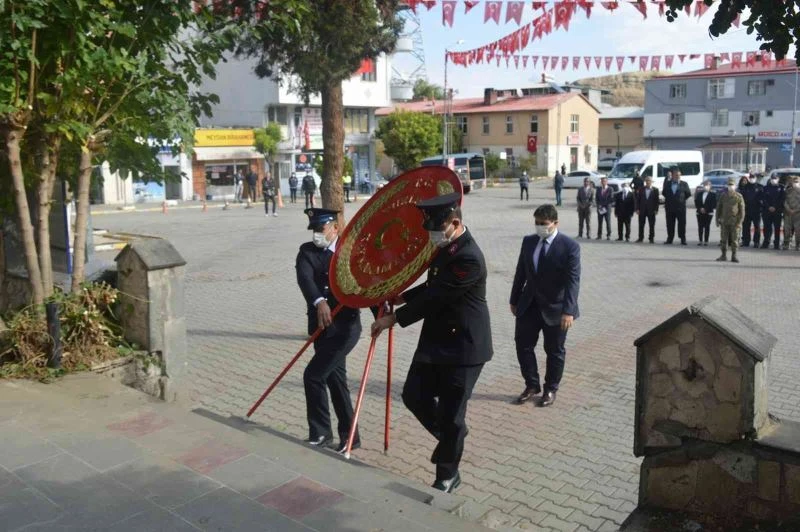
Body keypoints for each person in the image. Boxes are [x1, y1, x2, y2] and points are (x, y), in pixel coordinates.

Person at [370, 193, 492, 494]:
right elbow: (431, 285)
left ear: (455, 223)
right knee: (413, 395)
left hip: (464, 347)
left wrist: (393, 318)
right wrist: (403, 295)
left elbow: (439, 295)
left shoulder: (470, 257)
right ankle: (454, 437)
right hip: (437, 341)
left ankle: (447, 476)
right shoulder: (446, 247)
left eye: (437, 228)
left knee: (451, 415)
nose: (432, 234)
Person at [296, 208, 362, 453]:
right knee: (335, 380)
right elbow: (306, 280)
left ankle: (320, 432)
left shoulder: (348, 253)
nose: (316, 234)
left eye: (320, 229)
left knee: (313, 375)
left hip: (345, 329)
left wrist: (381, 314)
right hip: (320, 328)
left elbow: (364, 283)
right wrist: (318, 301)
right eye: (313, 229)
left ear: (335, 227)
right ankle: (351, 435)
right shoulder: (307, 252)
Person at [509, 204, 580, 408]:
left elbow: (573, 281)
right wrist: (514, 300)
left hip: (556, 309)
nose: (540, 227)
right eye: (537, 223)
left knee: (554, 350)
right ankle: (532, 385)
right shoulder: (529, 241)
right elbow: (520, 272)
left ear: (555, 223)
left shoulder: (569, 247)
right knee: (523, 345)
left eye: (544, 224)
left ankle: (550, 388)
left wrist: (568, 311)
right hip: (529, 304)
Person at [716, 177, 746, 263]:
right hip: (724, 222)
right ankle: (723, 255)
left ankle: (734, 256)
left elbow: (742, 210)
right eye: (729, 185)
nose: (730, 186)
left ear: (735, 186)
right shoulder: (723, 196)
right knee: (723, 240)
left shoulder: (739, 196)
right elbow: (719, 208)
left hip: (735, 222)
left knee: (735, 240)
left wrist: (740, 222)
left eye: (732, 185)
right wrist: (717, 219)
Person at [662, 167, 692, 245]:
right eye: (676, 175)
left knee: (682, 223)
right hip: (670, 207)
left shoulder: (684, 184)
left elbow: (688, 194)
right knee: (670, 224)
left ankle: (683, 239)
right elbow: (664, 193)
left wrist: (681, 199)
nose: (677, 176)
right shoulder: (668, 183)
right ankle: (670, 238)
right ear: (672, 175)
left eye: (679, 175)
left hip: (680, 208)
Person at [738, 173, 763, 248]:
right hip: (747, 210)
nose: (752, 179)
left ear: (755, 178)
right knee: (746, 227)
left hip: (756, 210)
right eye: (751, 177)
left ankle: (756, 242)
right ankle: (746, 241)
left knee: (757, 227)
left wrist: (761, 208)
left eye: (753, 177)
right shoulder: (745, 187)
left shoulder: (760, 187)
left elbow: (762, 199)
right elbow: (742, 199)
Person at [761, 174, 785, 250]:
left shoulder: (781, 188)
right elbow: (763, 199)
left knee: (777, 228)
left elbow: (782, 199)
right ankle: (766, 242)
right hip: (767, 211)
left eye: (775, 178)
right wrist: (769, 207)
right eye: (772, 178)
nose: (773, 180)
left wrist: (775, 207)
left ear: (778, 179)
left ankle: (776, 244)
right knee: (767, 228)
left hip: (777, 211)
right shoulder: (765, 188)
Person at [635, 176, 659, 243]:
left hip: (651, 210)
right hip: (642, 210)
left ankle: (651, 238)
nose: (648, 182)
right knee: (641, 225)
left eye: (649, 181)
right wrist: (637, 209)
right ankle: (640, 238)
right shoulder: (641, 189)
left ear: (651, 182)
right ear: (645, 182)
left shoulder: (655, 190)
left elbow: (656, 201)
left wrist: (656, 210)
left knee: (651, 225)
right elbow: (638, 200)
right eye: (647, 181)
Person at [694, 180, 717, 246]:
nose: (706, 186)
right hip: (699, 212)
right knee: (700, 226)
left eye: (708, 185)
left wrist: (706, 209)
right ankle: (700, 240)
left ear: (710, 186)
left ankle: (706, 241)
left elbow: (714, 204)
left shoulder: (713, 194)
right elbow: (696, 202)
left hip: (709, 213)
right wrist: (700, 208)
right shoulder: (699, 194)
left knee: (707, 226)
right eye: (705, 185)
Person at [784, 176, 800, 250]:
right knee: (787, 230)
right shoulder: (788, 191)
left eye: (797, 181)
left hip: (798, 214)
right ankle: (786, 244)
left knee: (798, 231)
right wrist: (788, 209)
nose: (795, 183)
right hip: (788, 213)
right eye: (794, 181)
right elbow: (785, 201)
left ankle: (798, 245)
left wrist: (795, 210)